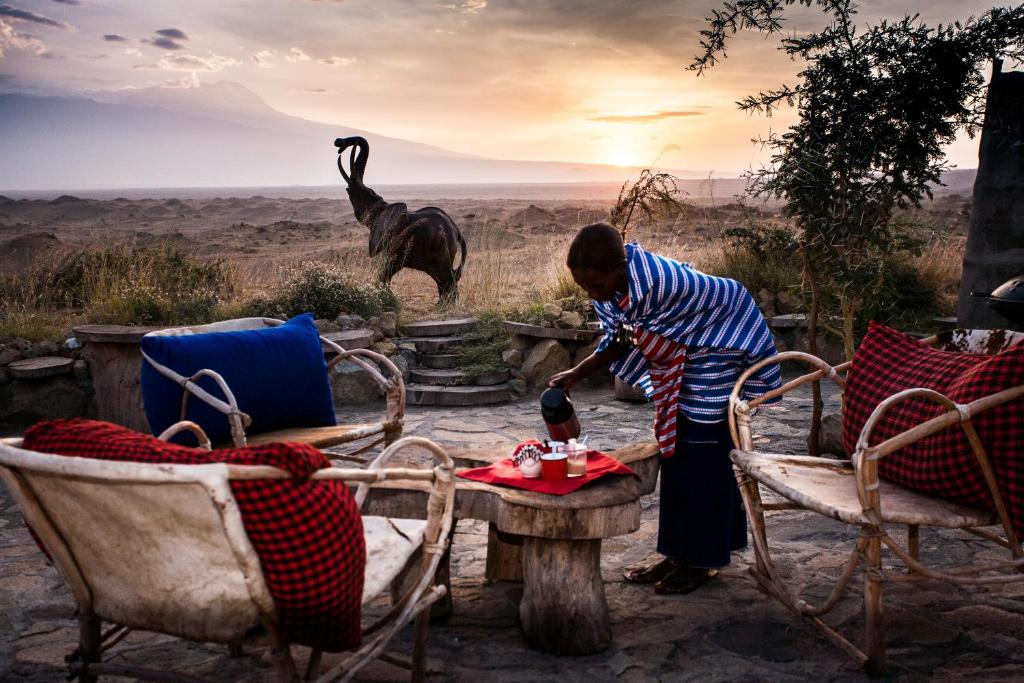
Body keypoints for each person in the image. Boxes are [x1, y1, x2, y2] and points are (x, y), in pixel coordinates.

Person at [549, 222, 782, 594]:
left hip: (720, 339)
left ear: (619, 267)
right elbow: (621, 336)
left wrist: (587, 367)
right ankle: (678, 553)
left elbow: (633, 335)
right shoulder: (618, 290)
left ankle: (704, 560)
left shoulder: (657, 286)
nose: (594, 294)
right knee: (676, 452)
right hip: (689, 350)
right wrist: (577, 372)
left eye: (597, 285)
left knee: (705, 452)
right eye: (586, 288)